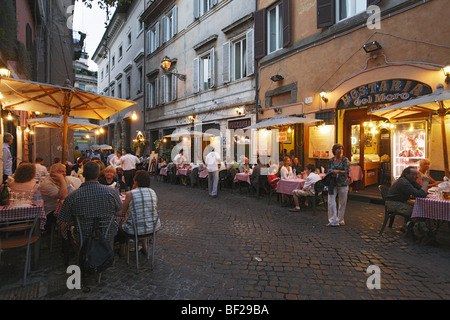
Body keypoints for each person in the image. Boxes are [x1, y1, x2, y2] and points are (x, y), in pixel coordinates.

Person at [57, 161, 122, 253]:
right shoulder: (111, 192)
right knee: (112, 228)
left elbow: (64, 219)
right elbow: (119, 212)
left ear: (83, 174)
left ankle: (81, 256)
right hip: (106, 233)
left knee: (71, 230)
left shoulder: (72, 196)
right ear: (99, 174)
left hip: (83, 235)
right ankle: (108, 256)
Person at [117, 170, 160, 256]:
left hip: (136, 231)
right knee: (143, 218)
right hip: (153, 229)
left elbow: (123, 213)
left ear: (136, 181)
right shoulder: (152, 192)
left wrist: (114, 212)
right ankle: (145, 247)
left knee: (120, 225)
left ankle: (122, 250)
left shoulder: (130, 194)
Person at [326, 144, 349, 227]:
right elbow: (328, 169)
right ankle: (332, 220)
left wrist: (337, 171)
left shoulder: (345, 160)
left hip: (342, 183)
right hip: (332, 183)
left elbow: (347, 171)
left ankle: (341, 219)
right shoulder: (331, 160)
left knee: (342, 202)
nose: (340, 150)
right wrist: (331, 172)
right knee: (331, 201)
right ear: (334, 151)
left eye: (341, 148)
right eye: (338, 149)